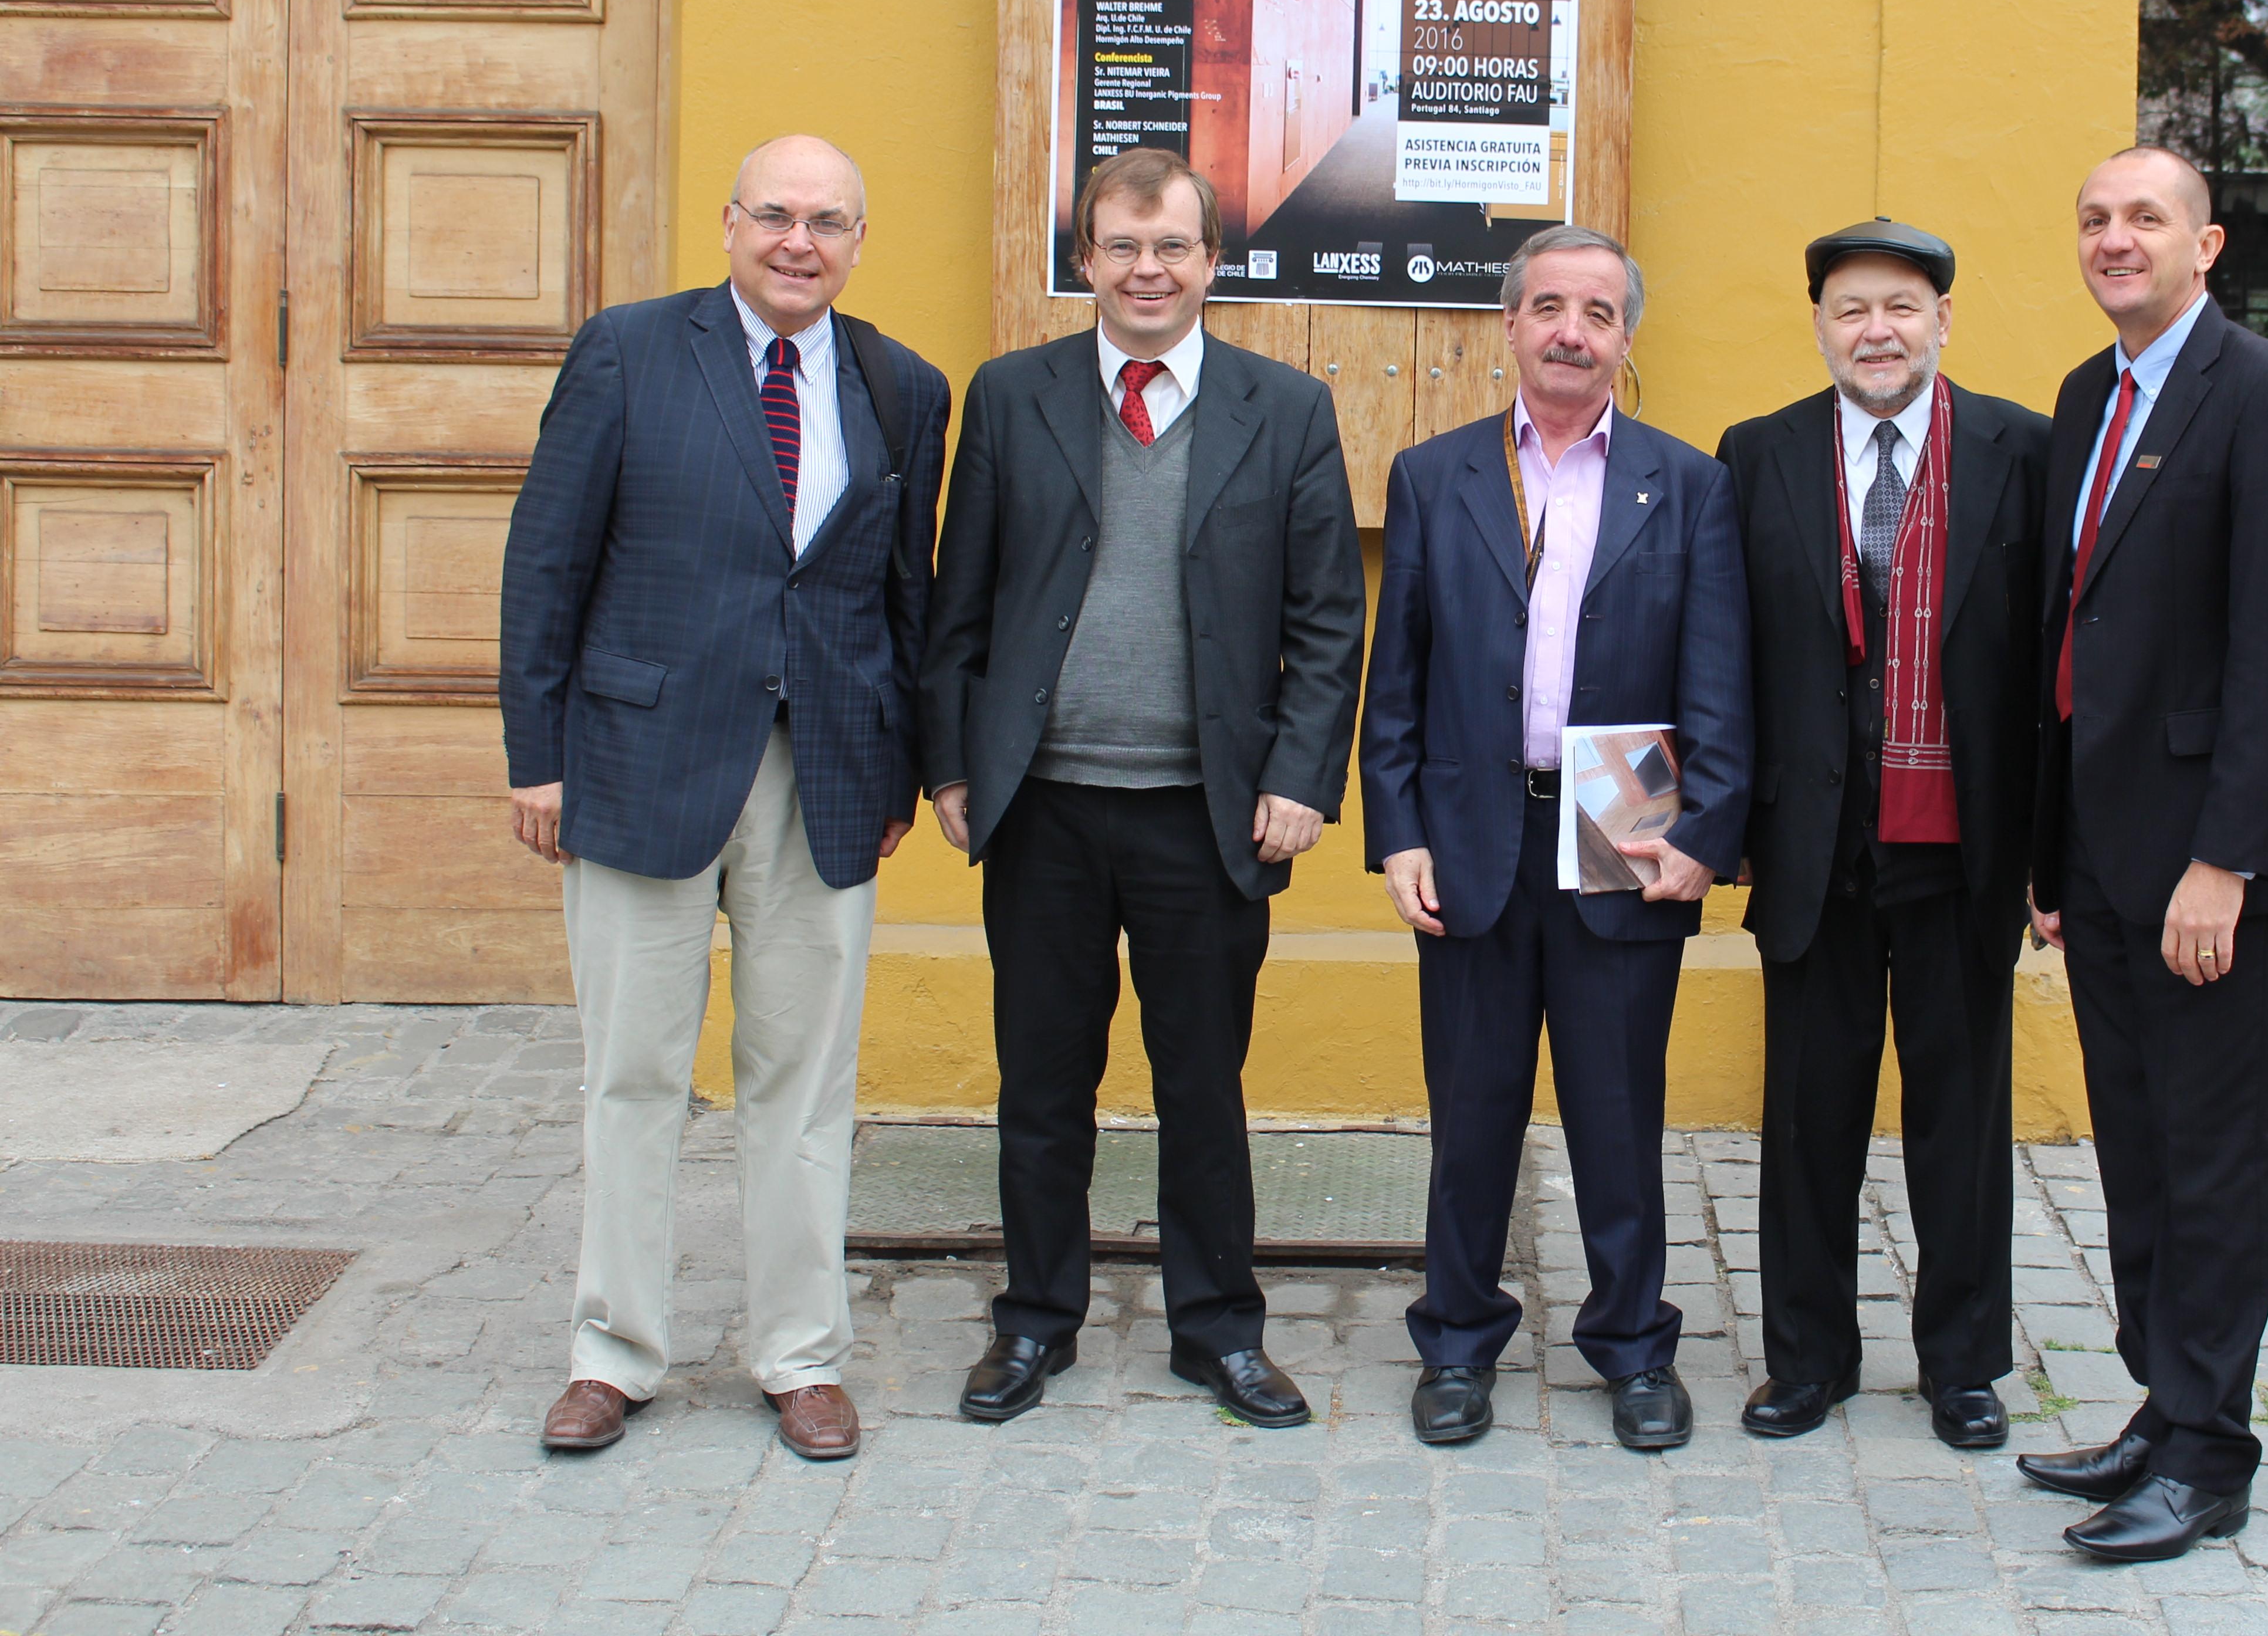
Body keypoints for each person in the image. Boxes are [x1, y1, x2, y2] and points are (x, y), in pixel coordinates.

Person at [502, 135, 952, 1463]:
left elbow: (905, 603)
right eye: (775, 216)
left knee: (803, 1082)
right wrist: (538, 753)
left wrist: (904, 768)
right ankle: (614, 1355)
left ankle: (801, 1357)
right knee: (632, 1073)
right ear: (729, 223)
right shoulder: (631, 351)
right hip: (638, 763)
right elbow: (548, 556)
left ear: (860, 239)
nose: (798, 241)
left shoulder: (901, 384)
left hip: (823, 776)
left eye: (827, 220)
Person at [918, 147, 1364, 1429]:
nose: (1147, 269)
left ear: (1212, 262)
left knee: (1201, 1086)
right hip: (1045, 806)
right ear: (1085, 259)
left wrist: (1300, 780)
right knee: (1043, 1083)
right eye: (1122, 245)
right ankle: (1034, 1325)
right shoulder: (1013, 397)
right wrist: (951, 760)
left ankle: (1217, 1330)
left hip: (1207, 814)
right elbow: (963, 602)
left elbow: (1329, 620)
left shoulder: (1285, 409)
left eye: (1172, 246)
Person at [1361, 224, 1752, 1452]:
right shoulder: (1437, 474)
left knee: (1617, 1113)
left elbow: (1722, 678)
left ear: (1625, 336)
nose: (1570, 331)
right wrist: (1399, 832)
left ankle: (1634, 1348)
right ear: (1511, 325)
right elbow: (1401, 674)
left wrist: (1704, 829)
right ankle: (1460, 1342)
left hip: (1622, 829)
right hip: (1476, 828)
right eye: (1547, 307)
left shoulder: (1687, 483)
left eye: (1596, 311)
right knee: (1471, 1115)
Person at [2014, 147, 2268, 1560]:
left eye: (2145, 218)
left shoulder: (2267, 396)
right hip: (2098, 856)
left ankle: (2212, 1452)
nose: (2114, 238)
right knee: (2138, 1152)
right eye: (2093, 218)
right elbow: (2067, 640)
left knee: (2213, 1159)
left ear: (2205, 247)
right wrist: (2049, 850)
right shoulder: (2089, 396)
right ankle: (2166, 1400)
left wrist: (2229, 860)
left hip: (2207, 866)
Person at [1713, 219, 2050, 1450]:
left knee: (1960, 1122)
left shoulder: (2023, 451)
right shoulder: (1757, 455)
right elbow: (1725, 654)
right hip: (1811, 847)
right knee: (1810, 1121)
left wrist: (2046, 857)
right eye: (1852, 309)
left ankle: (1963, 1364)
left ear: (1943, 322)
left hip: (1961, 846)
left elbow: (2044, 671)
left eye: (1902, 308)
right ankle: (1808, 1360)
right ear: (1818, 324)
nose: (1878, 332)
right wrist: (1721, 819)